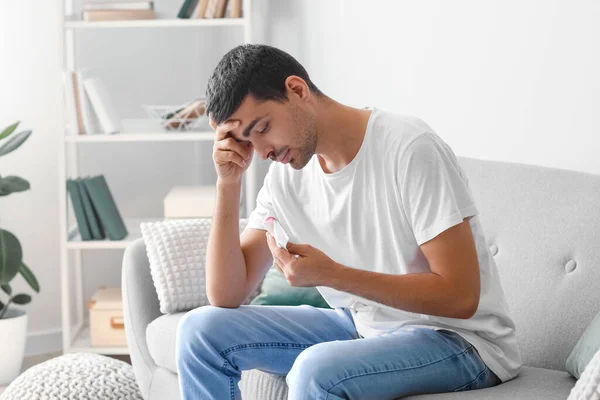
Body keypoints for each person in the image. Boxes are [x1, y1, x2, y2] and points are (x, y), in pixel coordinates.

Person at [175, 44, 522, 400]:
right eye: (247, 140)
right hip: (362, 326)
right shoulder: (286, 177)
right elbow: (226, 294)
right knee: (200, 331)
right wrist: (228, 182)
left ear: (297, 90)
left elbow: (461, 296)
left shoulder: (408, 147)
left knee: (316, 371)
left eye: (262, 127)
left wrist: (331, 274)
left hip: (460, 340)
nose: (263, 151)